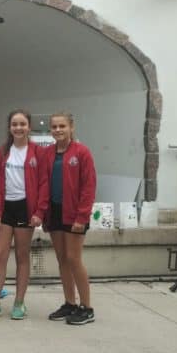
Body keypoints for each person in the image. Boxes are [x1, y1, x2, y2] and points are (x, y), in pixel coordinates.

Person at [0, 110, 47, 320]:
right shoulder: (2, 152)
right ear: (9, 127)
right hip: (5, 208)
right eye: (15, 124)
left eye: (22, 124)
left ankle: (19, 302)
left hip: (26, 209)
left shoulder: (38, 152)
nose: (18, 128)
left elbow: (44, 183)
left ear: (29, 126)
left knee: (22, 256)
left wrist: (39, 212)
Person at [44, 112, 97, 325]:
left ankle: (87, 307)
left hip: (75, 214)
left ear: (71, 127)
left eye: (62, 126)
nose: (58, 130)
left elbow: (89, 186)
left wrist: (82, 216)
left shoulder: (82, 152)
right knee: (62, 260)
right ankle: (70, 303)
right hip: (55, 212)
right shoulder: (47, 153)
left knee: (74, 259)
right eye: (54, 127)